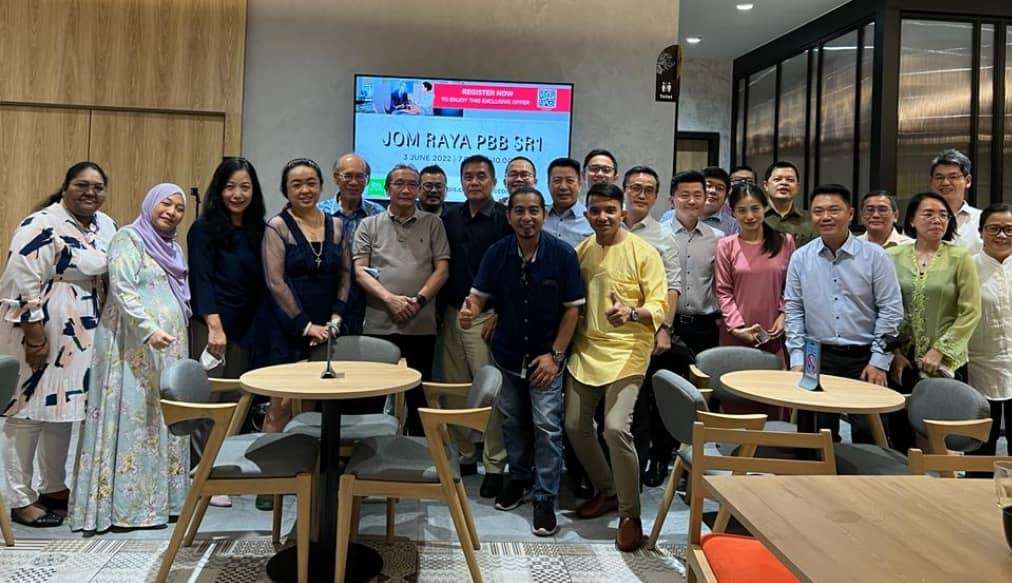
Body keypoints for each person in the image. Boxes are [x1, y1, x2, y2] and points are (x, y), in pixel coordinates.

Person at [461, 185, 584, 536]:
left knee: (547, 427)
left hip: (546, 357)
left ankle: (545, 496)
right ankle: (518, 478)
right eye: (519, 211)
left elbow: (572, 311)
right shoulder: (497, 253)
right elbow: (478, 296)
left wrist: (555, 356)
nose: (526, 217)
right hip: (508, 354)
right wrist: (471, 310)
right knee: (512, 421)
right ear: (509, 215)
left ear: (544, 215)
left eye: (533, 211)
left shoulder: (562, 254)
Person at [0, 162, 117, 528]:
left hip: (82, 334)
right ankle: (20, 498)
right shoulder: (40, 224)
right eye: (82, 185)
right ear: (65, 187)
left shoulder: (107, 225)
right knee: (28, 411)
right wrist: (35, 338)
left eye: (98, 187)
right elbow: (21, 282)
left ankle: (53, 486)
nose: (90, 192)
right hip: (41, 329)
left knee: (62, 410)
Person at [69, 183, 190, 533]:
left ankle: (163, 503)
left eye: (179, 208)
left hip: (165, 349)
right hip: (132, 345)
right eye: (165, 204)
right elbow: (123, 289)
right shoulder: (129, 238)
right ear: (150, 204)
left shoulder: (173, 247)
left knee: (160, 418)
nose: (171, 212)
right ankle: (127, 508)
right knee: (134, 418)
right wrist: (149, 329)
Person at [565, 182, 668, 552]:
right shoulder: (581, 251)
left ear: (622, 212)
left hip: (628, 351)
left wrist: (631, 313)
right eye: (595, 210)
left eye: (610, 210)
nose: (603, 216)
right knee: (575, 425)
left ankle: (630, 513)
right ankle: (607, 490)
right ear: (587, 214)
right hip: (586, 350)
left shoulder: (644, 252)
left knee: (614, 428)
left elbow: (659, 304)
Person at [784, 184, 904, 442]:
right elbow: (793, 310)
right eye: (818, 211)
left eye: (834, 210)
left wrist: (878, 361)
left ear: (850, 214)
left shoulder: (875, 256)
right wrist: (797, 358)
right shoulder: (801, 257)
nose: (825, 217)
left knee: (869, 439)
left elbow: (891, 311)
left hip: (864, 356)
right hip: (815, 354)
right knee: (813, 439)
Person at [186, 158, 266, 507]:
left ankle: (224, 466)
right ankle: (204, 472)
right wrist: (215, 326)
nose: (237, 194)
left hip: (247, 328)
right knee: (209, 401)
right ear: (219, 190)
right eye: (230, 186)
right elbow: (201, 280)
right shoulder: (203, 228)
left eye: (245, 187)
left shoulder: (259, 229)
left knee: (236, 401)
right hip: (212, 327)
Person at [256, 158, 351, 434]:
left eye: (311, 183)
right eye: (296, 184)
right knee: (282, 403)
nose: (305, 190)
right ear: (286, 190)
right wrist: (306, 326)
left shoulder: (337, 225)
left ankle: (306, 460)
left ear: (321, 186)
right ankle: (270, 459)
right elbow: (275, 282)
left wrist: (335, 318)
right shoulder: (277, 226)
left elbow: (346, 275)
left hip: (327, 327)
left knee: (312, 401)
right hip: (288, 325)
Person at [354, 164, 450, 432]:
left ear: (418, 190)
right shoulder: (369, 224)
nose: (406, 190)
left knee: (419, 395)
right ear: (387, 188)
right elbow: (359, 271)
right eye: (399, 183)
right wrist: (390, 300)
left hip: (420, 324)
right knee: (372, 394)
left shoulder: (433, 224)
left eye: (412, 184)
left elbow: (442, 270)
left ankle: (418, 449)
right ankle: (371, 449)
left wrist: (418, 301)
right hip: (379, 325)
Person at [438, 154, 510, 497]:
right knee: (454, 390)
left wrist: (501, 311)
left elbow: (514, 269)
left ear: (493, 181)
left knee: (490, 392)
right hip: (453, 314)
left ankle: (494, 463)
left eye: (481, 176)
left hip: (486, 317)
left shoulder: (504, 218)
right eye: (468, 176)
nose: (474, 181)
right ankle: (464, 454)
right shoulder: (450, 218)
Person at [620, 166, 683, 488]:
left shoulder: (663, 236)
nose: (641, 194)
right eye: (635, 187)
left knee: (645, 403)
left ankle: (645, 464)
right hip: (610, 334)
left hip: (646, 330)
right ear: (625, 190)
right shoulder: (608, 225)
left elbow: (673, 286)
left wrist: (664, 329)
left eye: (648, 189)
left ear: (657, 196)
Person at [716, 182, 795, 363]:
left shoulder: (785, 242)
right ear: (733, 213)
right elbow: (723, 291)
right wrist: (736, 327)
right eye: (742, 210)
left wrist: (784, 315)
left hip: (774, 329)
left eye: (755, 209)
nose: (750, 216)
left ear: (765, 208)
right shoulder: (726, 245)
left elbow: (791, 286)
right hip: (736, 330)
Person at [318, 153, 383, 335]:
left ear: (367, 180)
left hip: (366, 296)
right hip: (327, 292)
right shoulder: (319, 212)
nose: (354, 182)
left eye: (360, 176)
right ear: (336, 178)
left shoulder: (378, 214)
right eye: (347, 176)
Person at [666, 171, 724, 376]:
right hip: (668, 324)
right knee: (666, 385)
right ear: (672, 200)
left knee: (704, 384)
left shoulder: (718, 238)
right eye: (684, 195)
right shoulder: (659, 235)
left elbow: (720, 283)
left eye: (697, 195)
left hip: (705, 326)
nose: (691, 201)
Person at [968, 203, 1012, 459]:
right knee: (980, 444)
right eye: (994, 228)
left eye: (1009, 229)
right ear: (981, 231)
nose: (1002, 235)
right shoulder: (967, 267)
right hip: (979, 366)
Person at [928, 149, 982, 254]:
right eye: (939, 177)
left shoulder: (982, 220)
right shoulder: (918, 220)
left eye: (953, 177)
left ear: (968, 181)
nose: (945, 183)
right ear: (931, 181)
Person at [661, 166, 740, 235]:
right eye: (708, 185)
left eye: (720, 188)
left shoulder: (733, 226)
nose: (713, 191)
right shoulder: (668, 216)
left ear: (726, 197)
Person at [764, 161, 818, 247]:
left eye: (790, 180)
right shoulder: (755, 218)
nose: (784, 183)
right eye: (777, 179)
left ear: (797, 187)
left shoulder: (811, 220)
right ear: (766, 185)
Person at [544, 157, 593, 247]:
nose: (563, 187)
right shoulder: (539, 217)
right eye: (557, 181)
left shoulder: (591, 220)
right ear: (548, 184)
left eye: (570, 181)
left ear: (579, 185)